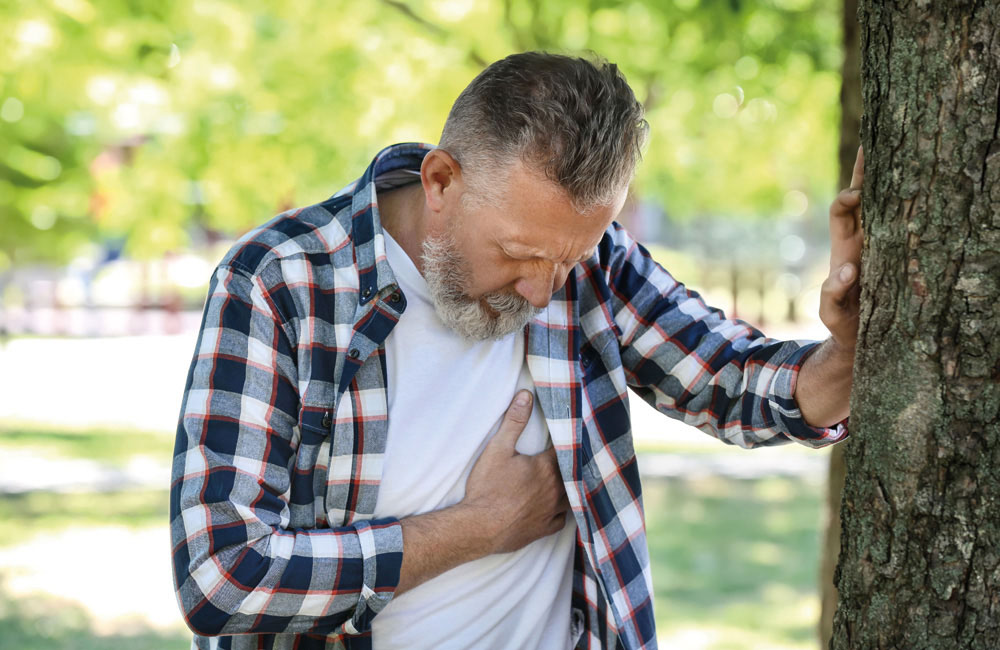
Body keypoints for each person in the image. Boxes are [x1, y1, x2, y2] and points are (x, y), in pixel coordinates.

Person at [170, 52, 858, 650]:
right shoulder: (280, 282)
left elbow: (733, 383)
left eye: (569, 259)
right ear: (441, 181)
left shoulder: (585, 264)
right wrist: (479, 527)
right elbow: (222, 577)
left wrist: (850, 348)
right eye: (517, 254)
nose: (541, 291)